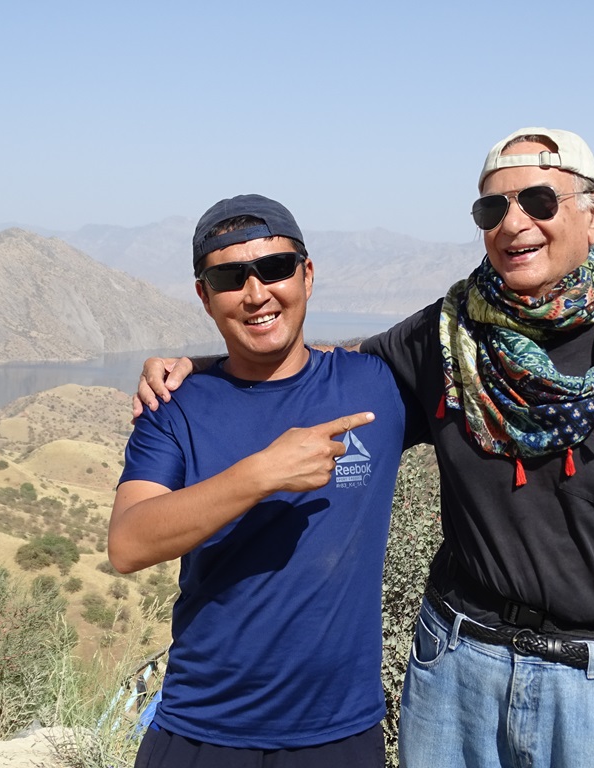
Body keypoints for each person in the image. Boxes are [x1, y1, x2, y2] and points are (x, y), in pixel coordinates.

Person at [137, 128, 594, 768]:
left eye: (539, 201)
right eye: (493, 208)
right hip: (457, 673)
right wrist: (198, 367)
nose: (514, 224)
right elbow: (309, 371)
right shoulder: (444, 338)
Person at [109, 194, 423, 768]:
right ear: (205, 297)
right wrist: (260, 473)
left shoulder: (375, 385)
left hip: (340, 733)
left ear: (306, 275)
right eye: (230, 278)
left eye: (275, 268)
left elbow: (498, 330)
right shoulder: (175, 406)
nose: (257, 293)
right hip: (203, 728)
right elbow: (129, 543)